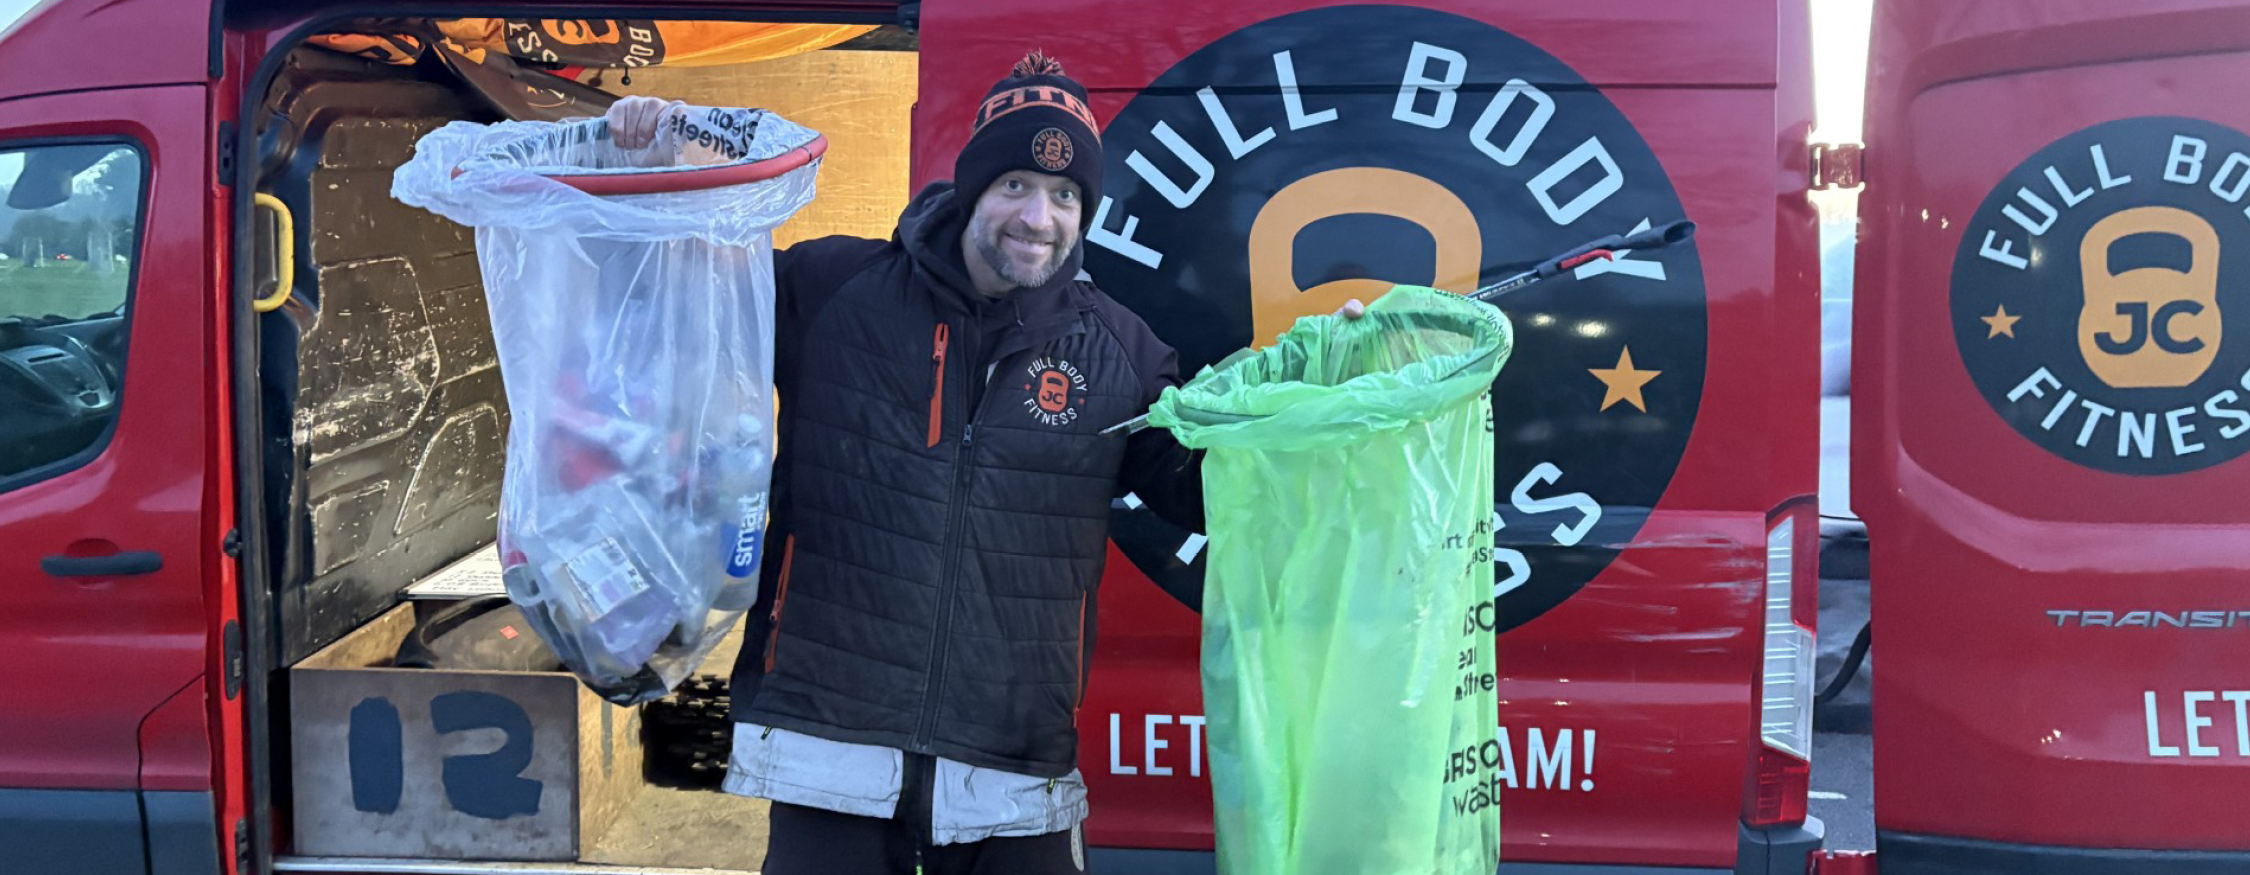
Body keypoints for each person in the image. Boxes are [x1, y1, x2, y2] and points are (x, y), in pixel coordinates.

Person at [607, 51, 1214, 875]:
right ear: (971, 186)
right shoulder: (832, 289)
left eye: (1066, 196)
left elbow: (1214, 488)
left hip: (1016, 770)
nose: (1039, 216)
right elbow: (679, 322)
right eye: (1015, 187)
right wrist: (650, 176)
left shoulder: (1121, 356)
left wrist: (1340, 390)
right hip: (831, 756)